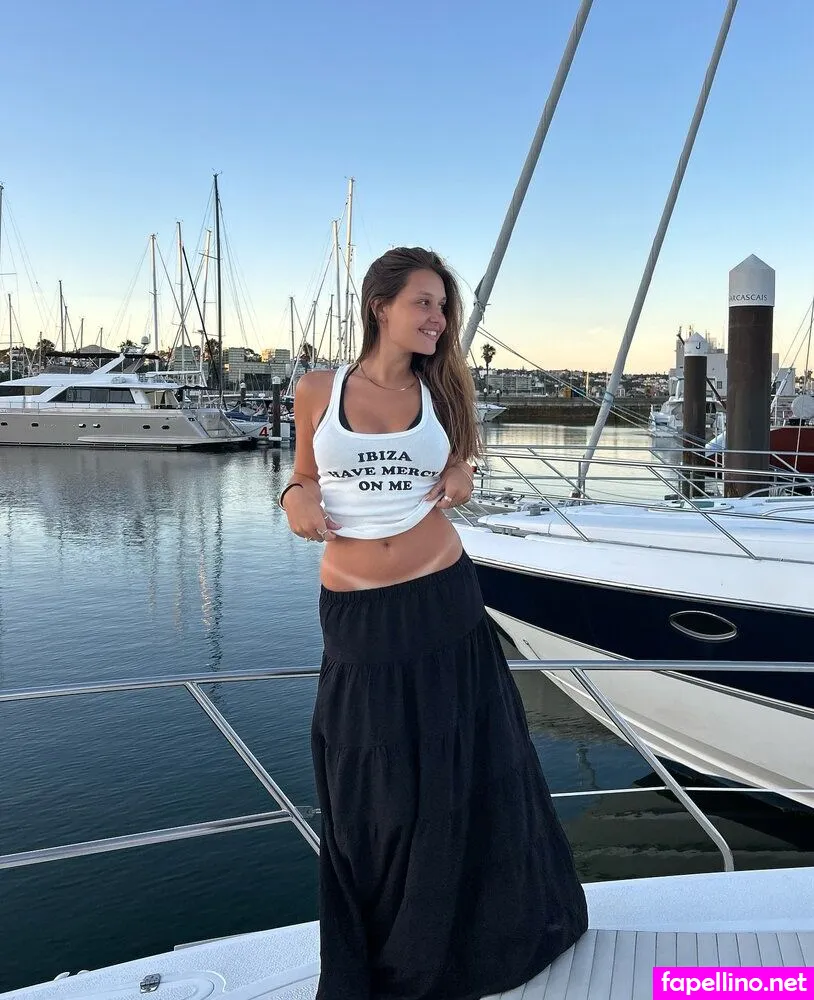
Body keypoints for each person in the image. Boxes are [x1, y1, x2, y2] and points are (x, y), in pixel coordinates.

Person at [279, 247, 587, 1000]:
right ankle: (387, 948)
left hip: (443, 597)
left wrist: (461, 473)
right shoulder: (318, 389)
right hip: (356, 612)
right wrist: (295, 500)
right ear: (379, 304)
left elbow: (460, 466)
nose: (438, 319)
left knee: (462, 768)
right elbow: (302, 475)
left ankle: (472, 940)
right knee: (371, 785)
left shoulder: (445, 389)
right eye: (424, 302)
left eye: (444, 307)